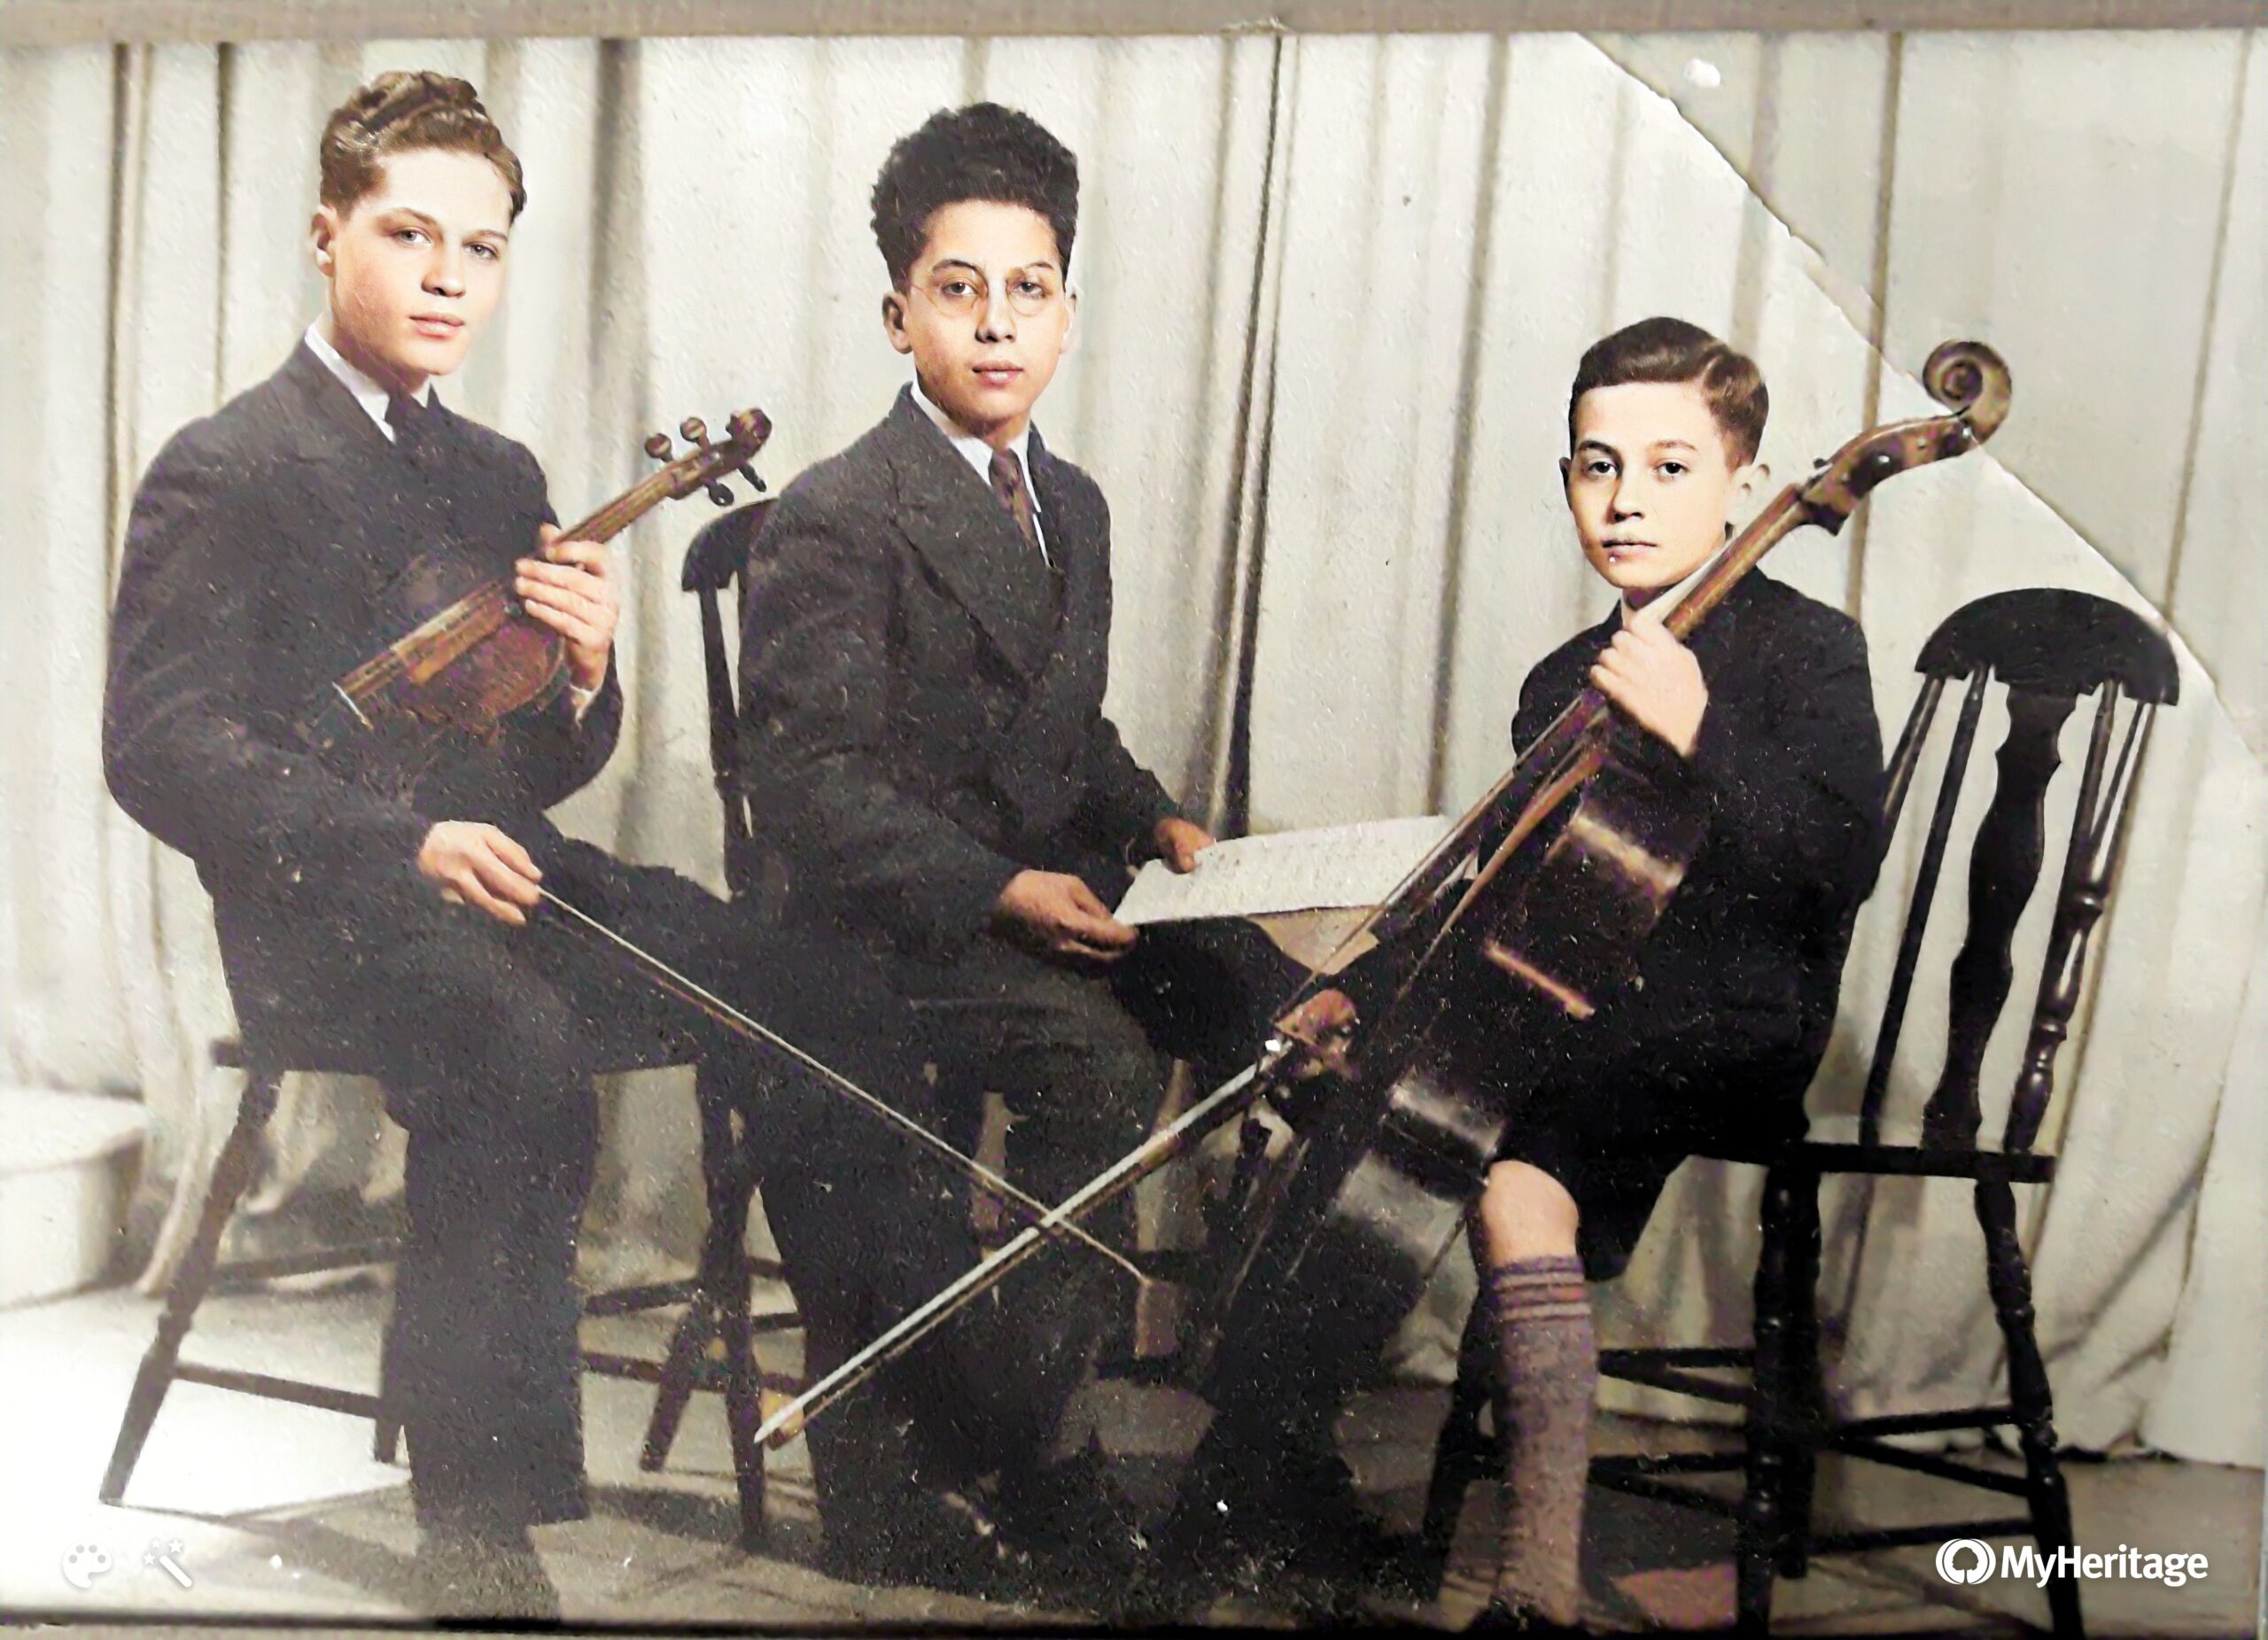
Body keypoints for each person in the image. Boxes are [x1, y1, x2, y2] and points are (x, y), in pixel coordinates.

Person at [102, 72, 1074, 1617]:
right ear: (323, 234)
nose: (445, 278)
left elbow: (541, 763)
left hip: (510, 873)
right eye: (409, 234)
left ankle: (887, 1486)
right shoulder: (228, 464)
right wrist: (396, 845)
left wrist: (586, 671)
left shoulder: (495, 476)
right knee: (513, 1038)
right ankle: (477, 1521)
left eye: (479, 250)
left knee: (824, 994)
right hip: (328, 914)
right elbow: (159, 746)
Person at [1162, 317, 1887, 1634]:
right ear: (1565, 480)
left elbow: (1839, 862)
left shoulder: (1804, 648)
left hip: (1733, 1018)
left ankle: (1519, 1568)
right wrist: (1361, 991)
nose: (1626, 500)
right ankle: (1276, 1460)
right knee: (1404, 1090)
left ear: (1742, 480)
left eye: (1671, 468)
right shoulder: (1561, 679)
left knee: (1500, 1121)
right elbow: (1497, 899)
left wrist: (1701, 729)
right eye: (1597, 466)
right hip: (1576, 1011)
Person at [737, 99, 1297, 1500]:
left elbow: (1067, 728)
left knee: (1288, 1005)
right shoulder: (838, 509)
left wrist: (1156, 818)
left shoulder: (1078, 506)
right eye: (958, 290)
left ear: (1065, 312)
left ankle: (1261, 1441)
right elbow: (807, 788)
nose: (996, 327)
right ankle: (1005, 1443)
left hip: (1028, 899)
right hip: (886, 927)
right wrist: (994, 888)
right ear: (896, 315)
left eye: (1028, 291)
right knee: (1099, 1065)